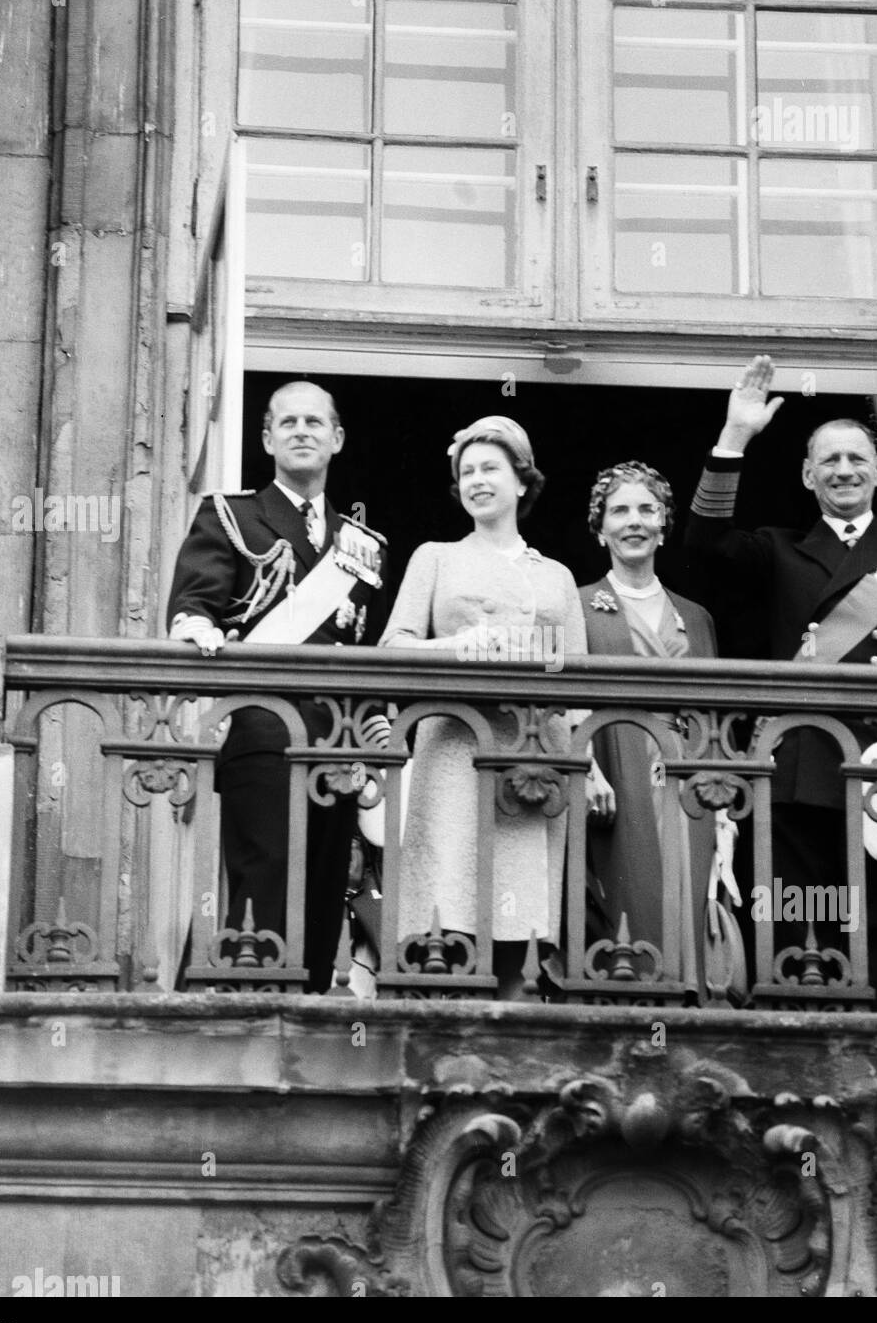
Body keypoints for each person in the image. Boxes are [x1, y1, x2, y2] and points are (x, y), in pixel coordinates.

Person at [685, 355, 877, 1008]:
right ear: (807, 475)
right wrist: (734, 438)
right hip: (796, 764)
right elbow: (705, 544)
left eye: (858, 458)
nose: (845, 470)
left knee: (874, 931)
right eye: (829, 460)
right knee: (794, 930)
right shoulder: (777, 549)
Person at [166, 379, 389, 992]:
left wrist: (369, 750)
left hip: (338, 742)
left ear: (336, 439)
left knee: (323, 891)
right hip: (264, 728)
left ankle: (310, 1013)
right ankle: (249, 1013)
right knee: (263, 883)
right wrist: (195, 627)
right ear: (266, 438)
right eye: (287, 422)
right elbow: (193, 604)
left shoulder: (363, 546)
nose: (301, 431)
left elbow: (363, 651)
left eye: (315, 422)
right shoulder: (231, 515)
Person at [380, 416, 586, 999]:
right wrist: (453, 647)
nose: (477, 480)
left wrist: (586, 763)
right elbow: (391, 648)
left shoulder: (557, 575)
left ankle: (514, 1036)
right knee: (450, 913)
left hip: (533, 761)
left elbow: (583, 679)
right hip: (454, 752)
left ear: (523, 482)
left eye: (490, 468)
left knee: (520, 923)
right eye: (466, 471)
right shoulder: (435, 557)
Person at [578, 462, 743, 1003]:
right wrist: (586, 769)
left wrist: (722, 811)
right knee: (624, 910)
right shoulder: (576, 605)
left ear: (664, 524)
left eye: (646, 509)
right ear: (599, 526)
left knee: (687, 906)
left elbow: (713, 719)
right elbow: (562, 704)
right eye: (619, 510)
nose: (634, 521)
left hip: (687, 782)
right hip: (613, 772)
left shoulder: (696, 616)